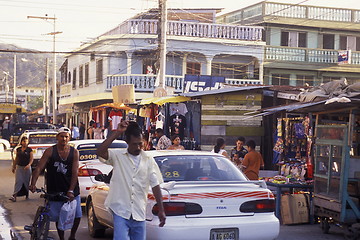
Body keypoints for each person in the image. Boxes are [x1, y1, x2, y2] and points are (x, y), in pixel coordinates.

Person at [97, 121, 166, 240]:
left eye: (140, 144)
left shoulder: (148, 160)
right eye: (135, 144)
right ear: (127, 142)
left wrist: (161, 209)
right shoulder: (118, 156)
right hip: (120, 210)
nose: (138, 147)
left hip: (139, 211)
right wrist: (117, 133)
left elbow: (155, 185)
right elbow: (100, 152)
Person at [29, 127, 82, 240]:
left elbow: (74, 172)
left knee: (77, 215)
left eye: (66, 136)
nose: (64, 139)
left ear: (70, 138)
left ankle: (72, 236)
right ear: (57, 137)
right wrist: (33, 183)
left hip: (71, 189)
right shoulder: (50, 151)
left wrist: (71, 190)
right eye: (62, 136)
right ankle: (61, 238)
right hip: (55, 189)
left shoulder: (74, 152)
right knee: (58, 217)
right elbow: (39, 168)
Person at [10, 136, 33, 202]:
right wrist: (14, 167)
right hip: (19, 167)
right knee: (18, 181)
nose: (25, 143)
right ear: (21, 142)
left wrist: (29, 165)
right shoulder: (18, 149)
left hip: (27, 168)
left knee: (26, 181)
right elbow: (16, 158)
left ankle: (26, 194)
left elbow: (31, 159)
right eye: (23, 141)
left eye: (26, 141)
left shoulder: (29, 150)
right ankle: (14, 196)